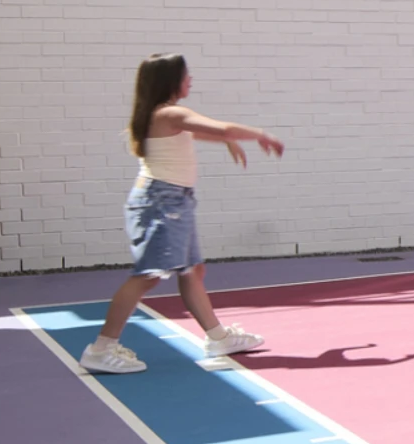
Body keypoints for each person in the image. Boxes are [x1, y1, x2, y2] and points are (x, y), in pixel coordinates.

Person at [80, 53, 285, 375]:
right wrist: (260, 134)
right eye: (186, 75)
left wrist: (227, 141)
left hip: (175, 201)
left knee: (192, 271)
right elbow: (222, 127)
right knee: (148, 276)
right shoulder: (170, 113)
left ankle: (218, 338)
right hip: (161, 203)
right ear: (171, 80)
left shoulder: (164, 116)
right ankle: (101, 349)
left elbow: (206, 133)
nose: (191, 80)